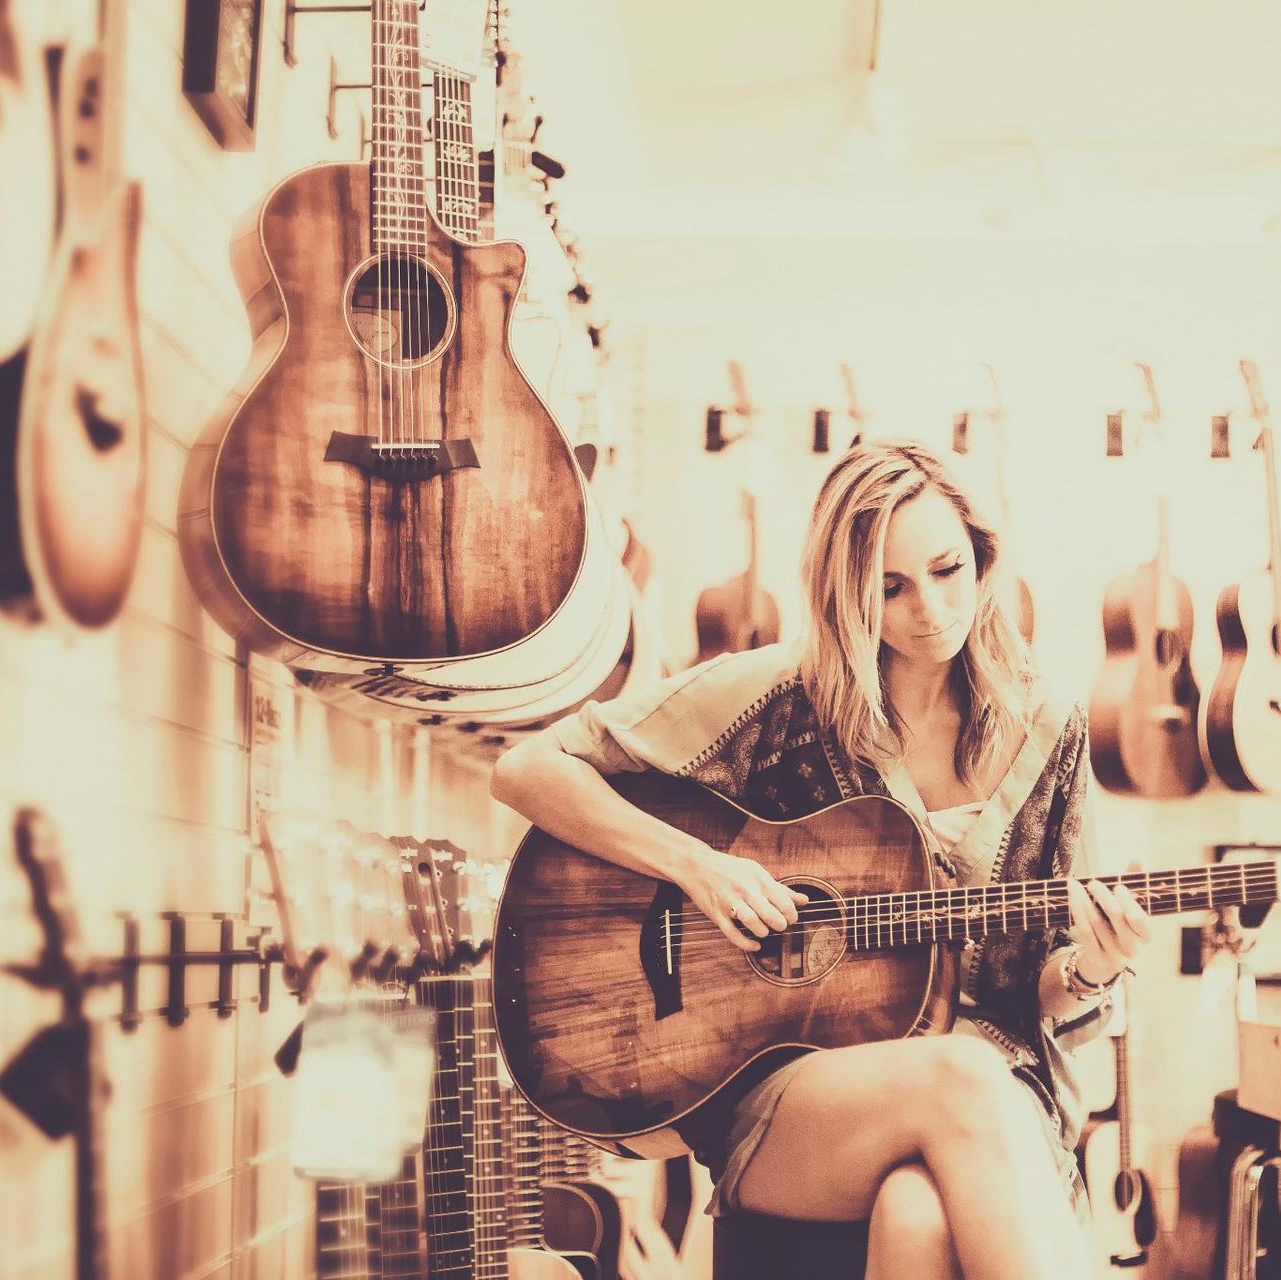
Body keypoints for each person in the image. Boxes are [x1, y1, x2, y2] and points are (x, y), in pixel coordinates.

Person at [491, 439, 1150, 1280]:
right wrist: (698, 867)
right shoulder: (778, 695)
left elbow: (1048, 996)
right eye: (891, 588)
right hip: (797, 1096)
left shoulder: (1051, 728)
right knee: (961, 1073)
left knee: (917, 1210)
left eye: (948, 570)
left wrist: (1093, 970)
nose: (931, 608)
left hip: (1002, 1104)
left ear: (983, 557)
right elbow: (527, 770)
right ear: (848, 594)